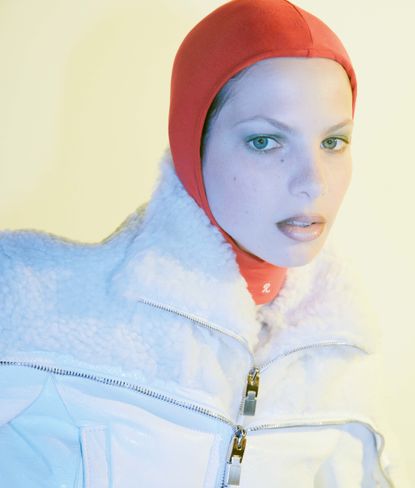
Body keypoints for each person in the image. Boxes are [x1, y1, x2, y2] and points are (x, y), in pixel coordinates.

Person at [0, 0, 408, 486]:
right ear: (192, 139)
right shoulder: (26, 300)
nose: (313, 183)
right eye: (266, 141)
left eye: (332, 142)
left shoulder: (345, 362)